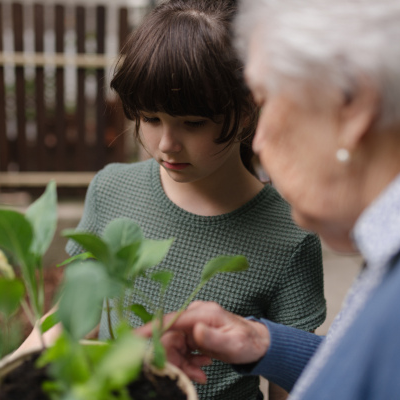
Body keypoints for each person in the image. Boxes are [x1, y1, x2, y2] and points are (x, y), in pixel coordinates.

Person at [138, 0, 400, 399]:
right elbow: (385, 367)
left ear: (351, 99)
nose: (261, 141)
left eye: (265, 101)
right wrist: (263, 344)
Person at [63, 1, 327, 399]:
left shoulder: (289, 235)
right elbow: (70, 323)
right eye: (150, 120)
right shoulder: (111, 189)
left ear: (244, 111)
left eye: (192, 123)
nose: (167, 144)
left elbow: (290, 387)